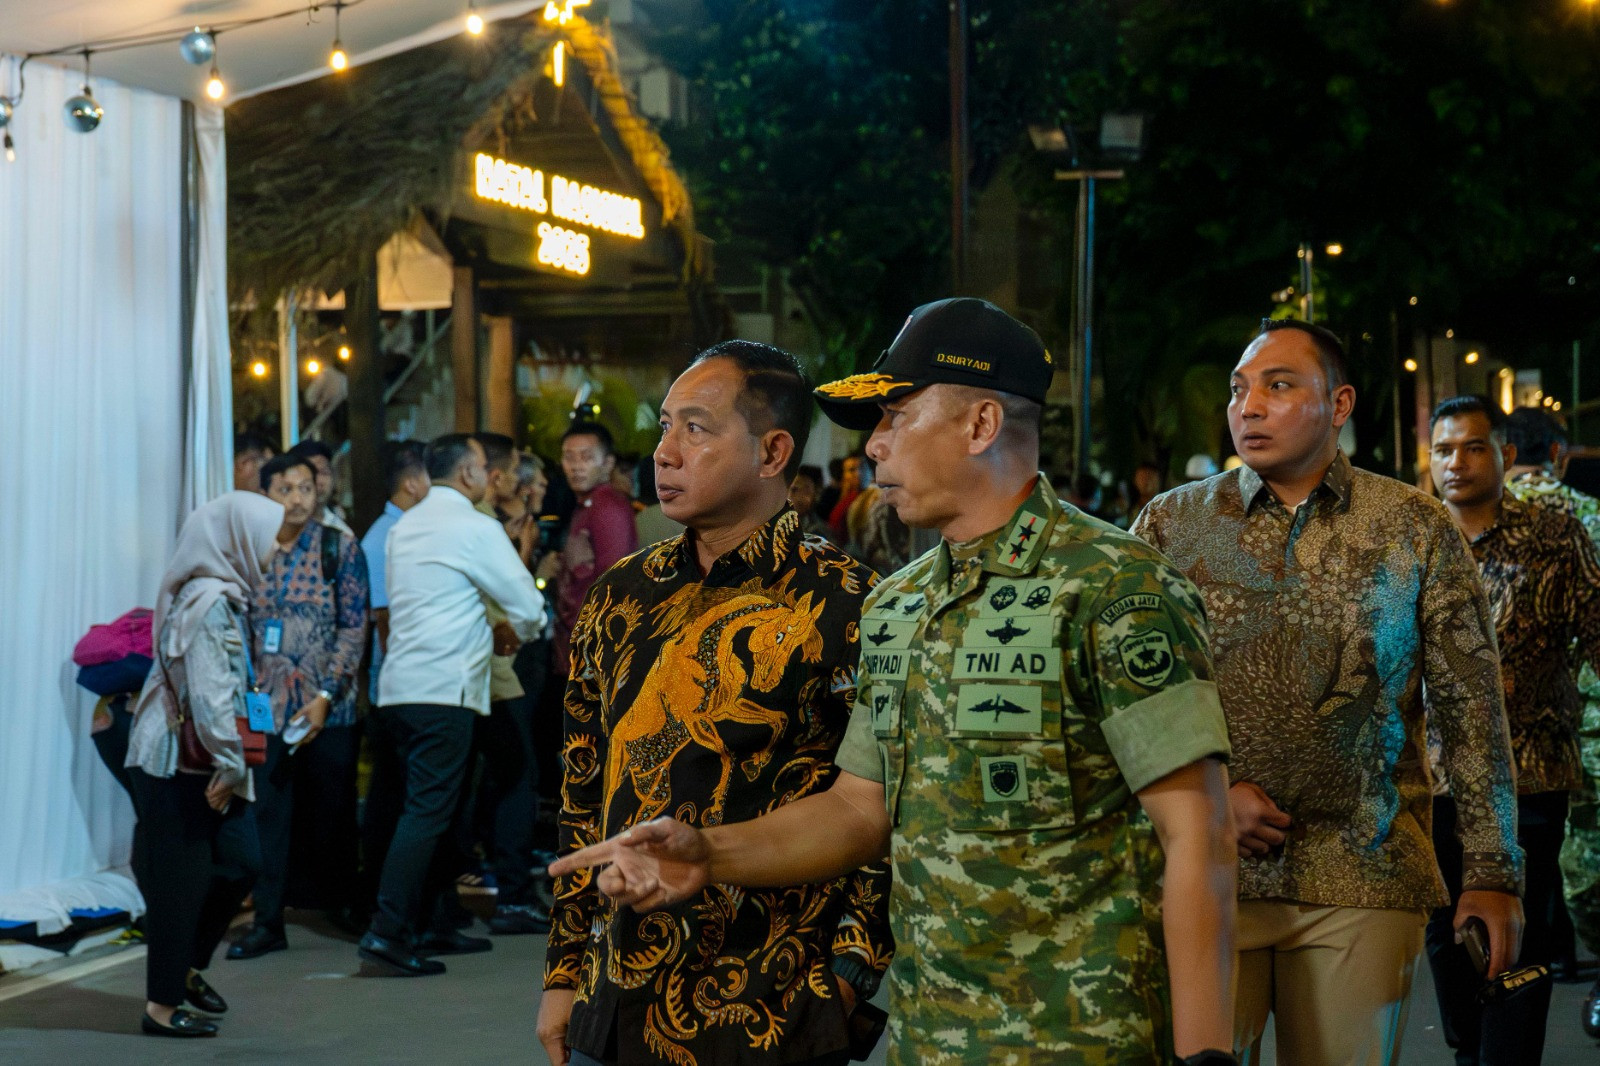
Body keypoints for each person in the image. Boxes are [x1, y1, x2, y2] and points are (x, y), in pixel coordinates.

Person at [553, 298, 1239, 1066]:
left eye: (897, 416)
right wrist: (707, 852)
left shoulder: (1113, 587)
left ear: (980, 426)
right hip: (930, 1040)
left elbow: (1200, 836)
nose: (873, 445)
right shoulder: (898, 603)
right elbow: (856, 810)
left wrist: (1205, 1055)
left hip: (1084, 1039)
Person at [1131, 319, 1524, 1066]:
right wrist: (1206, 794)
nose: (1249, 407)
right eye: (1240, 389)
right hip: (1203, 874)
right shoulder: (1169, 526)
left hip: (1364, 871)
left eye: (1278, 386)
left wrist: (1494, 872)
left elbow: (1470, 705)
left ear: (1339, 405)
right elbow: (1127, 701)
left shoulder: (1412, 525)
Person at [538, 341, 894, 1066]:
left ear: (773, 452)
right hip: (620, 996)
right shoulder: (618, 596)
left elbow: (883, 808)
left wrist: (852, 975)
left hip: (774, 1002)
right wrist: (565, 971)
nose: (664, 453)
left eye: (695, 429)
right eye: (666, 427)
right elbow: (583, 792)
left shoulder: (853, 603)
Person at [1426, 395, 1600, 1064]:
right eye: (1444, 449)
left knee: (1509, 937)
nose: (1458, 462)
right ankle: (1470, 1049)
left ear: (1503, 454)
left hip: (1528, 772)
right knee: (1444, 933)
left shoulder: (1553, 535)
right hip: (1430, 777)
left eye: (1473, 447)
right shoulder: (1414, 539)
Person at [360, 434, 544, 976]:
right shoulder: (474, 527)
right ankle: (387, 932)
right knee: (428, 812)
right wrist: (518, 630)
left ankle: (434, 922)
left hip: (398, 689)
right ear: (467, 475)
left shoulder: (406, 525)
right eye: (486, 468)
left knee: (430, 809)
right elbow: (527, 603)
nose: (491, 477)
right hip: (445, 690)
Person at [124, 491, 282, 1037]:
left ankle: (184, 970)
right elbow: (212, 699)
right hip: (177, 763)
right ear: (236, 539)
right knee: (179, 885)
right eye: (267, 537)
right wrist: (233, 767)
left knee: (241, 863)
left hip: (207, 762)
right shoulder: (208, 602)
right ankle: (160, 1009)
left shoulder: (225, 595)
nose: (273, 549)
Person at [227, 454, 370, 960]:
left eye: (306, 488)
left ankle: (345, 908)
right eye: (286, 488)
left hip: (330, 706)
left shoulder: (339, 547)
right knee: (266, 813)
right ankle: (267, 921)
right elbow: (238, 629)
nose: (298, 498)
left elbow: (355, 627)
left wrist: (326, 696)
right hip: (265, 707)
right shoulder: (248, 551)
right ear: (266, 493)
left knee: (334, 810)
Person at [1504, 405, 1600, 1035]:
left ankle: (1544, 960)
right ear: (1559, 454)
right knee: (1578, 843)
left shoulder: (1473, 511)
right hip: (1579, 716)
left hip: (1485, 739)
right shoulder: (1589, 516)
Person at [469, 431, 550, 935]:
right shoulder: (479, 526)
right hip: (492, 670)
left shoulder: (467, 523)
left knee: (488, 779)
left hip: (477, 669)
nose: (518, 478)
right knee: (517, 779)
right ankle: (513, 895)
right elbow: (518, 600)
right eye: (515, 466)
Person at [548, 422, 638, 679]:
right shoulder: (587, 505)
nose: (576, 466)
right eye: (569, 457)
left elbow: (615, 584)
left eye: (587, 457)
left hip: (595, 656)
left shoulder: (607, 508)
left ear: (607, 464)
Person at [288, 438, 354, 537]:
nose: (319, 481)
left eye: (324, 472)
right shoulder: (280, 530)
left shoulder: (342, 532)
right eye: (311, 473)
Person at [788, 464, 833, 539]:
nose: (789, 496)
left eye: (806, 492)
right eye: (793, 489)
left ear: (816, 493)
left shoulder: (819, 534)